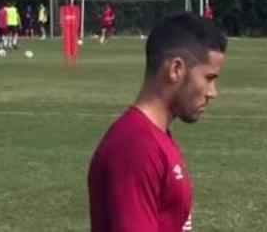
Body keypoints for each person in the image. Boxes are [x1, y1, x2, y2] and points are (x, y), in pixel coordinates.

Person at [88, 13, 227, 232]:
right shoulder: (136, 146)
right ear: (175, 70)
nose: (213, 93)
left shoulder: (156, 137)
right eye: (208, 79)